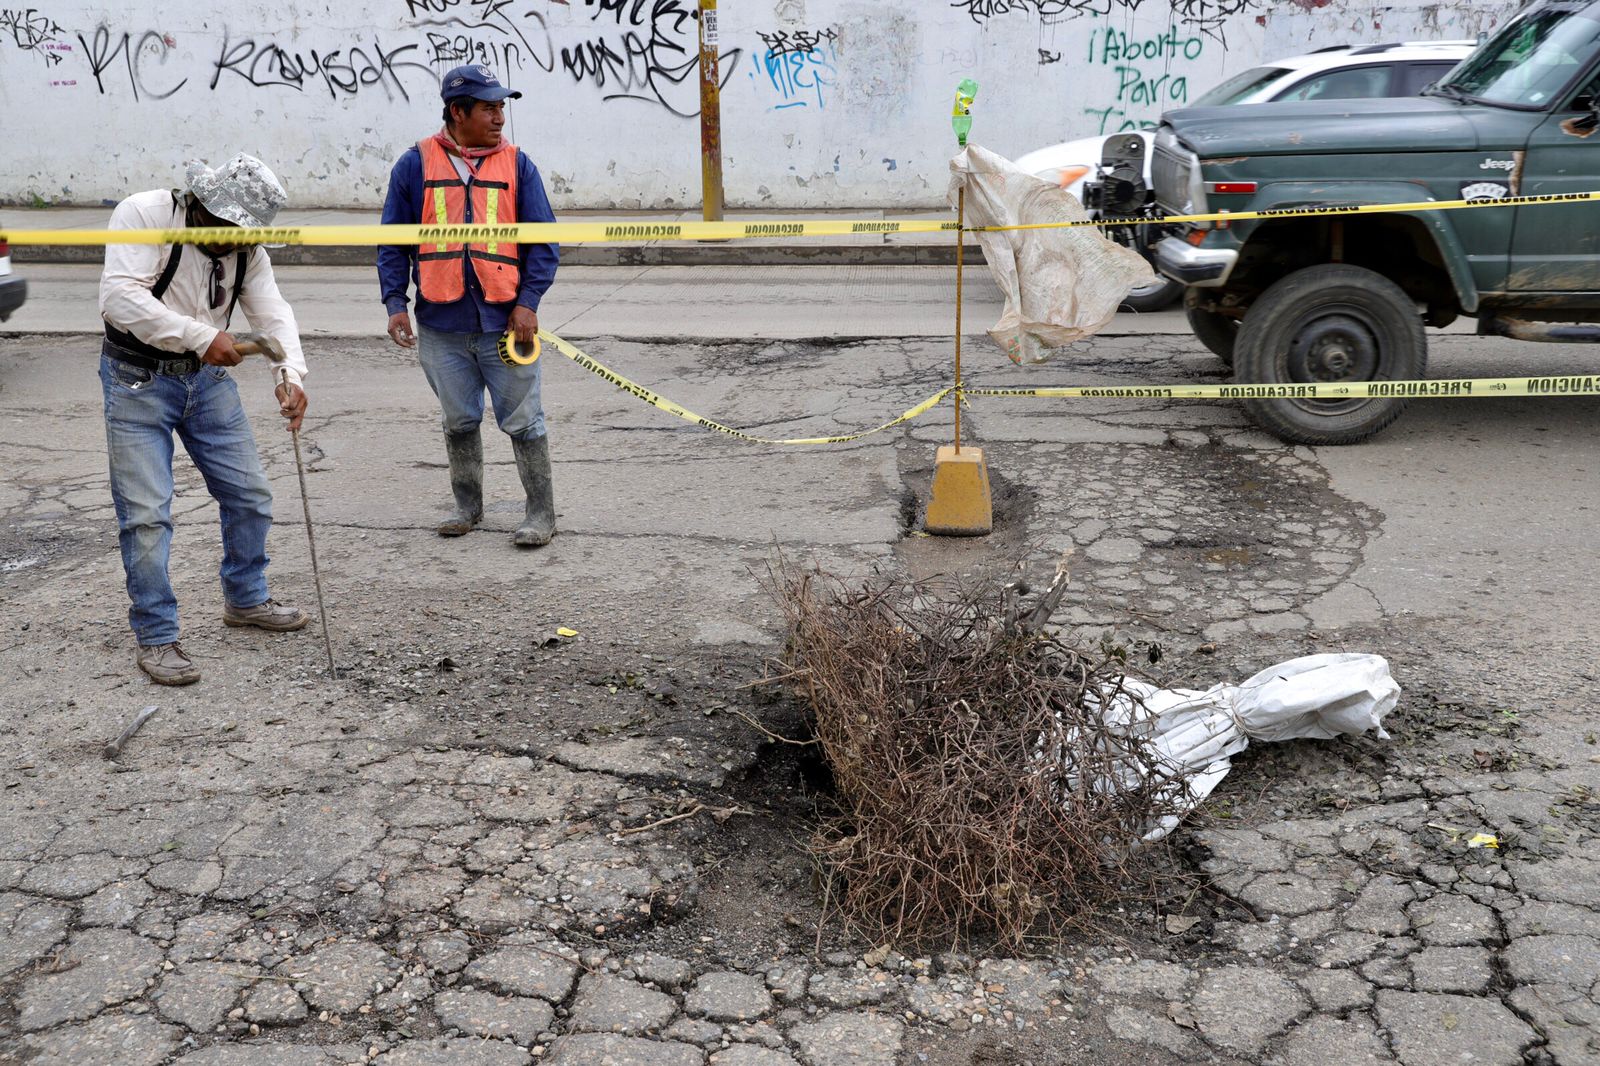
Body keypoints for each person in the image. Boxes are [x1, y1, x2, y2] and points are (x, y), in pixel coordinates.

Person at [99, 154, 311, 686]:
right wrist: (201, 336)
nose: (237, 242)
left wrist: (290, 373)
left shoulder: (247, 249)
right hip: (137, 378)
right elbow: (120, 299)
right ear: (199, 205)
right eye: (229, 229)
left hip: (208, 381)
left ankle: (246, 598)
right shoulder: (145, 216)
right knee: (147, 515)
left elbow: (272, 314)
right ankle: (157, 635)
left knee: (250, 494)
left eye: (247, 235)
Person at [378, 64, 560, 547]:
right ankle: (467, 507)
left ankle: (541, 515)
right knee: (458, 420)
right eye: (488, 108)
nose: (499, 117)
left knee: (524, 421)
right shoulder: (414, 165)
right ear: (458, 113)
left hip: (506, 323)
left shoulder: (519, 165)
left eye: (502, 107)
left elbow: (544, 243)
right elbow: (392, 244)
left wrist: (529, 302)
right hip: (441, 323)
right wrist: (395, 301)